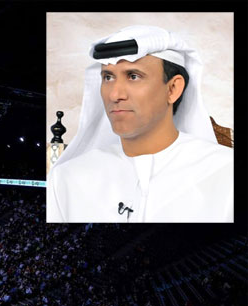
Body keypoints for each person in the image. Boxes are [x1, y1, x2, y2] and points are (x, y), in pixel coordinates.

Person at [47, 25, 233, 223]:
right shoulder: (68, 179)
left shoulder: (226, 172)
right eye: (108, 77)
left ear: (173, 89)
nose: (115, 95)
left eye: (133, 76)